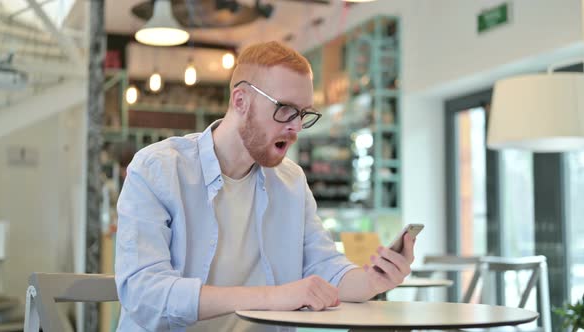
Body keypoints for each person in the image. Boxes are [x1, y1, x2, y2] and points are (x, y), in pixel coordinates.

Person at [115, 41, 416, 331]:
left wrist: (373, 282)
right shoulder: (158, 169)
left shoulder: (291, 181)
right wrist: (275, 297)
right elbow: (144, 294)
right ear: (241, 101)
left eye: (303, 113)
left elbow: (324, 265)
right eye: (285, 108)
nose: (296, 127)